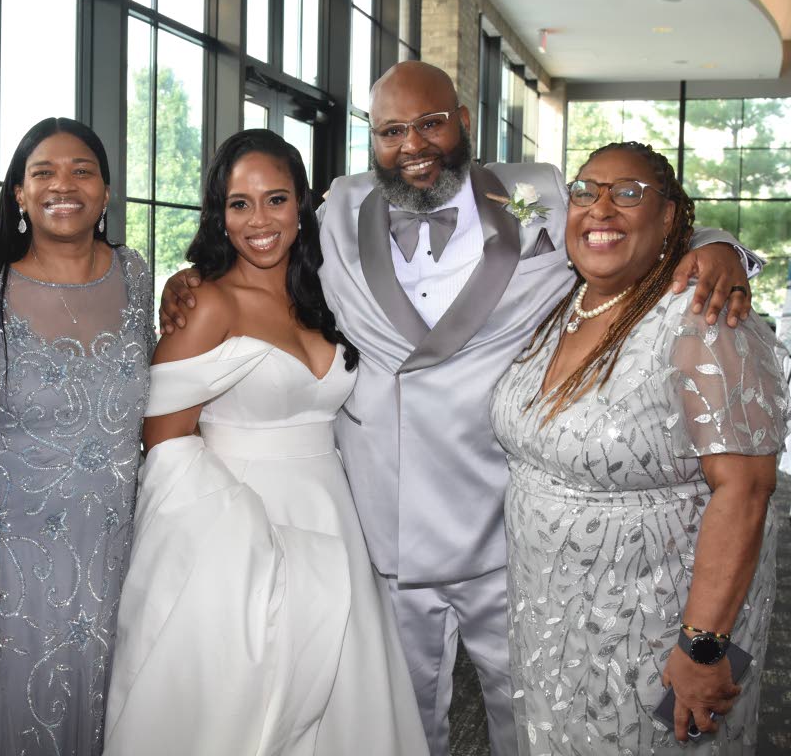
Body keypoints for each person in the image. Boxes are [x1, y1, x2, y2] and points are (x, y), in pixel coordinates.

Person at [159, 62, 759, 756]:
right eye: (391, 130)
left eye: (431, 123)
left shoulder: (528, 196)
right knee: (397, 718)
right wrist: (193, 277)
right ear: (371, 140)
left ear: (464, 121)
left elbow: (621, 225)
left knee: (527, 706)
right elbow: (261, 252)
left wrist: (720, 248)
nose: (413, 144)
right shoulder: (339, 208)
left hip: (501, 522)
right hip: (380, 522)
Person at [105, 129, 428, 754]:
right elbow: (165, 444)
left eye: (276, 199)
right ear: (219, 215)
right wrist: (249, 542)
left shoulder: (327, 295)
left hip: (331, 514)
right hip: (237, 532)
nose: (260, 220)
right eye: (239, 203)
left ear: (302, 206)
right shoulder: (205, 304)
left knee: (346, 699)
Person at [492, 141, 786, 754]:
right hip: (553, 620)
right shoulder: (563, 302)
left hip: (653, 631)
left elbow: (748, 488)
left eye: (628, 193)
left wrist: (702, 648)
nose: (602, 209)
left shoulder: (704, 319)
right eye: (586, 191)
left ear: (672, 217)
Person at [0, 117, 153, 755]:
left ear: (105, 192)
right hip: (18, 556)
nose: (63, 184)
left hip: (118, 543)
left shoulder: (137, 275)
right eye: (42, 172)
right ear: (18, 194)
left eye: (82, 170)